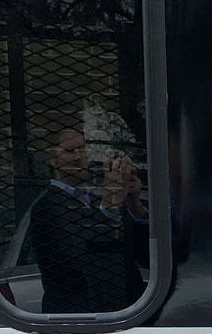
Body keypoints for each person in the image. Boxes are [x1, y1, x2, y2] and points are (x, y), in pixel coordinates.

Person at [28, 125, 148, 315]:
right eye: (69, 151)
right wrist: (110, 203)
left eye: (82, 149)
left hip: (129, 316)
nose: (78, 157)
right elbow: (83, 260)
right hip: (82, 322)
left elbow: (144, 257)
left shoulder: (97, 201)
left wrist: (135, 206)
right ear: (52, 159)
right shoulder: (46, 207)